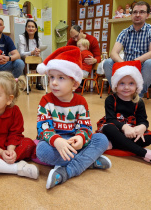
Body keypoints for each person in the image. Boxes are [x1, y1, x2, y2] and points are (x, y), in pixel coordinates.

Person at [35, 46, 111, 189]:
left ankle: (67, 171)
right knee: (41, 150)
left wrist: (81, 138)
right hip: (55, 143)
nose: (54, 82)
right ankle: (89, 161)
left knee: (101, 139)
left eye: (61, 78)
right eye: (51, 77)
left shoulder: (81, 102)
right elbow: (43, 128)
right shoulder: (46, 100)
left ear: (75, 84)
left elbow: (86, 127)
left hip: (74, 142)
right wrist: (57, 141)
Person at [101, 60, 151, 167]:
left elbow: (143, 120)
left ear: (137, 86)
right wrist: (124, 127)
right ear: (115, 85)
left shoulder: (139, 101)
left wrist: (142, 127)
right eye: (122, 83)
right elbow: (110, 120)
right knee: (108, 128)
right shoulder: (110, 99)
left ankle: (115, 143)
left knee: (149, 137)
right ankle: (144, 154)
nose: (126, 87)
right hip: (116, 128)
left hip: (132, 131)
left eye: (131, 83)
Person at [103, 1, 151, 97]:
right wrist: (124, 64)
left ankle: (138, 95)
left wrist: (134, 62)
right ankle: (118, 93)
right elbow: (113, 53)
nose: (137, 15)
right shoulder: (124, 32)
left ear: (147, 15)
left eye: (141, 12)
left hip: (142, 66)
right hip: (125, 66)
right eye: (135, 12)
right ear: (131, 14)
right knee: (107, 62)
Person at [18, 19, 44, 90]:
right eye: (29, 26)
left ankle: (38, 83)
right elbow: (21, 53)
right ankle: (26, 84)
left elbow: (39, 51)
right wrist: (31, 53)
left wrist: (37, 52)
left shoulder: (38, 39)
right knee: (26, 58)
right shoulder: (22, 38)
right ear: (26, 28)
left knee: (40, 60)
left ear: (36, 29)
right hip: (24, 60)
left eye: (33, 27)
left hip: (34, 60)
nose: (31, 28)